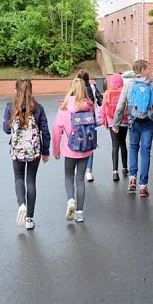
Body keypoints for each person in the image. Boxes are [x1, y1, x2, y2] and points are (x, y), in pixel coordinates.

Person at [112, 59, 153, 197]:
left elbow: (120, 106)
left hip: (133, 121)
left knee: (133, 148)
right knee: (145, 152)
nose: (150, 71)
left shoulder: (129, 85)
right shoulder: (152, 85)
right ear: (142, 70)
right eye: (148, 69)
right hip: (148, 122)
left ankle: (132, 180)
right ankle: (143, 186)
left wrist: (116, 123)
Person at [3, 79, 51, 230]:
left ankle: (21, 204)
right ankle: (29, 218)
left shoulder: (10, 107)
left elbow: (6, 129)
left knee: (18, 178)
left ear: (16, 90)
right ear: (31, 90)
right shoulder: (38, 108)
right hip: (34, 150)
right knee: (31, 181)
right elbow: (45, 131)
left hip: (17, 150)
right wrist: (46, 151)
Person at [53, 78, 96, 222]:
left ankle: (71, 200)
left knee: (69, 176)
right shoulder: (89, 106)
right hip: (86, 148)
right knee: (80, 179)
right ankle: (79, 213)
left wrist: (56, 150)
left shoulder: (65, 107)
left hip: (70, 148)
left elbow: (57, 131)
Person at [100, 73, 128, 181]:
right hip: (124, 121)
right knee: (123, 144)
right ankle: (125, 168)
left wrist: (105, 122)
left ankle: (115, 172)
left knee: (115, 145)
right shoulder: (124, 92)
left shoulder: (107, 93)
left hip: (112, 121)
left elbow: (103, 109)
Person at [76, 69, 102, 182]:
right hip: (90, 120)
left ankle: (78, 168)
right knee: (90, 145)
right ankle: (88, 171)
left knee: (78, 142)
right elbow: (100, 100)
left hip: (77, 120)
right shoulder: (92, 87)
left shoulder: (75, 89)